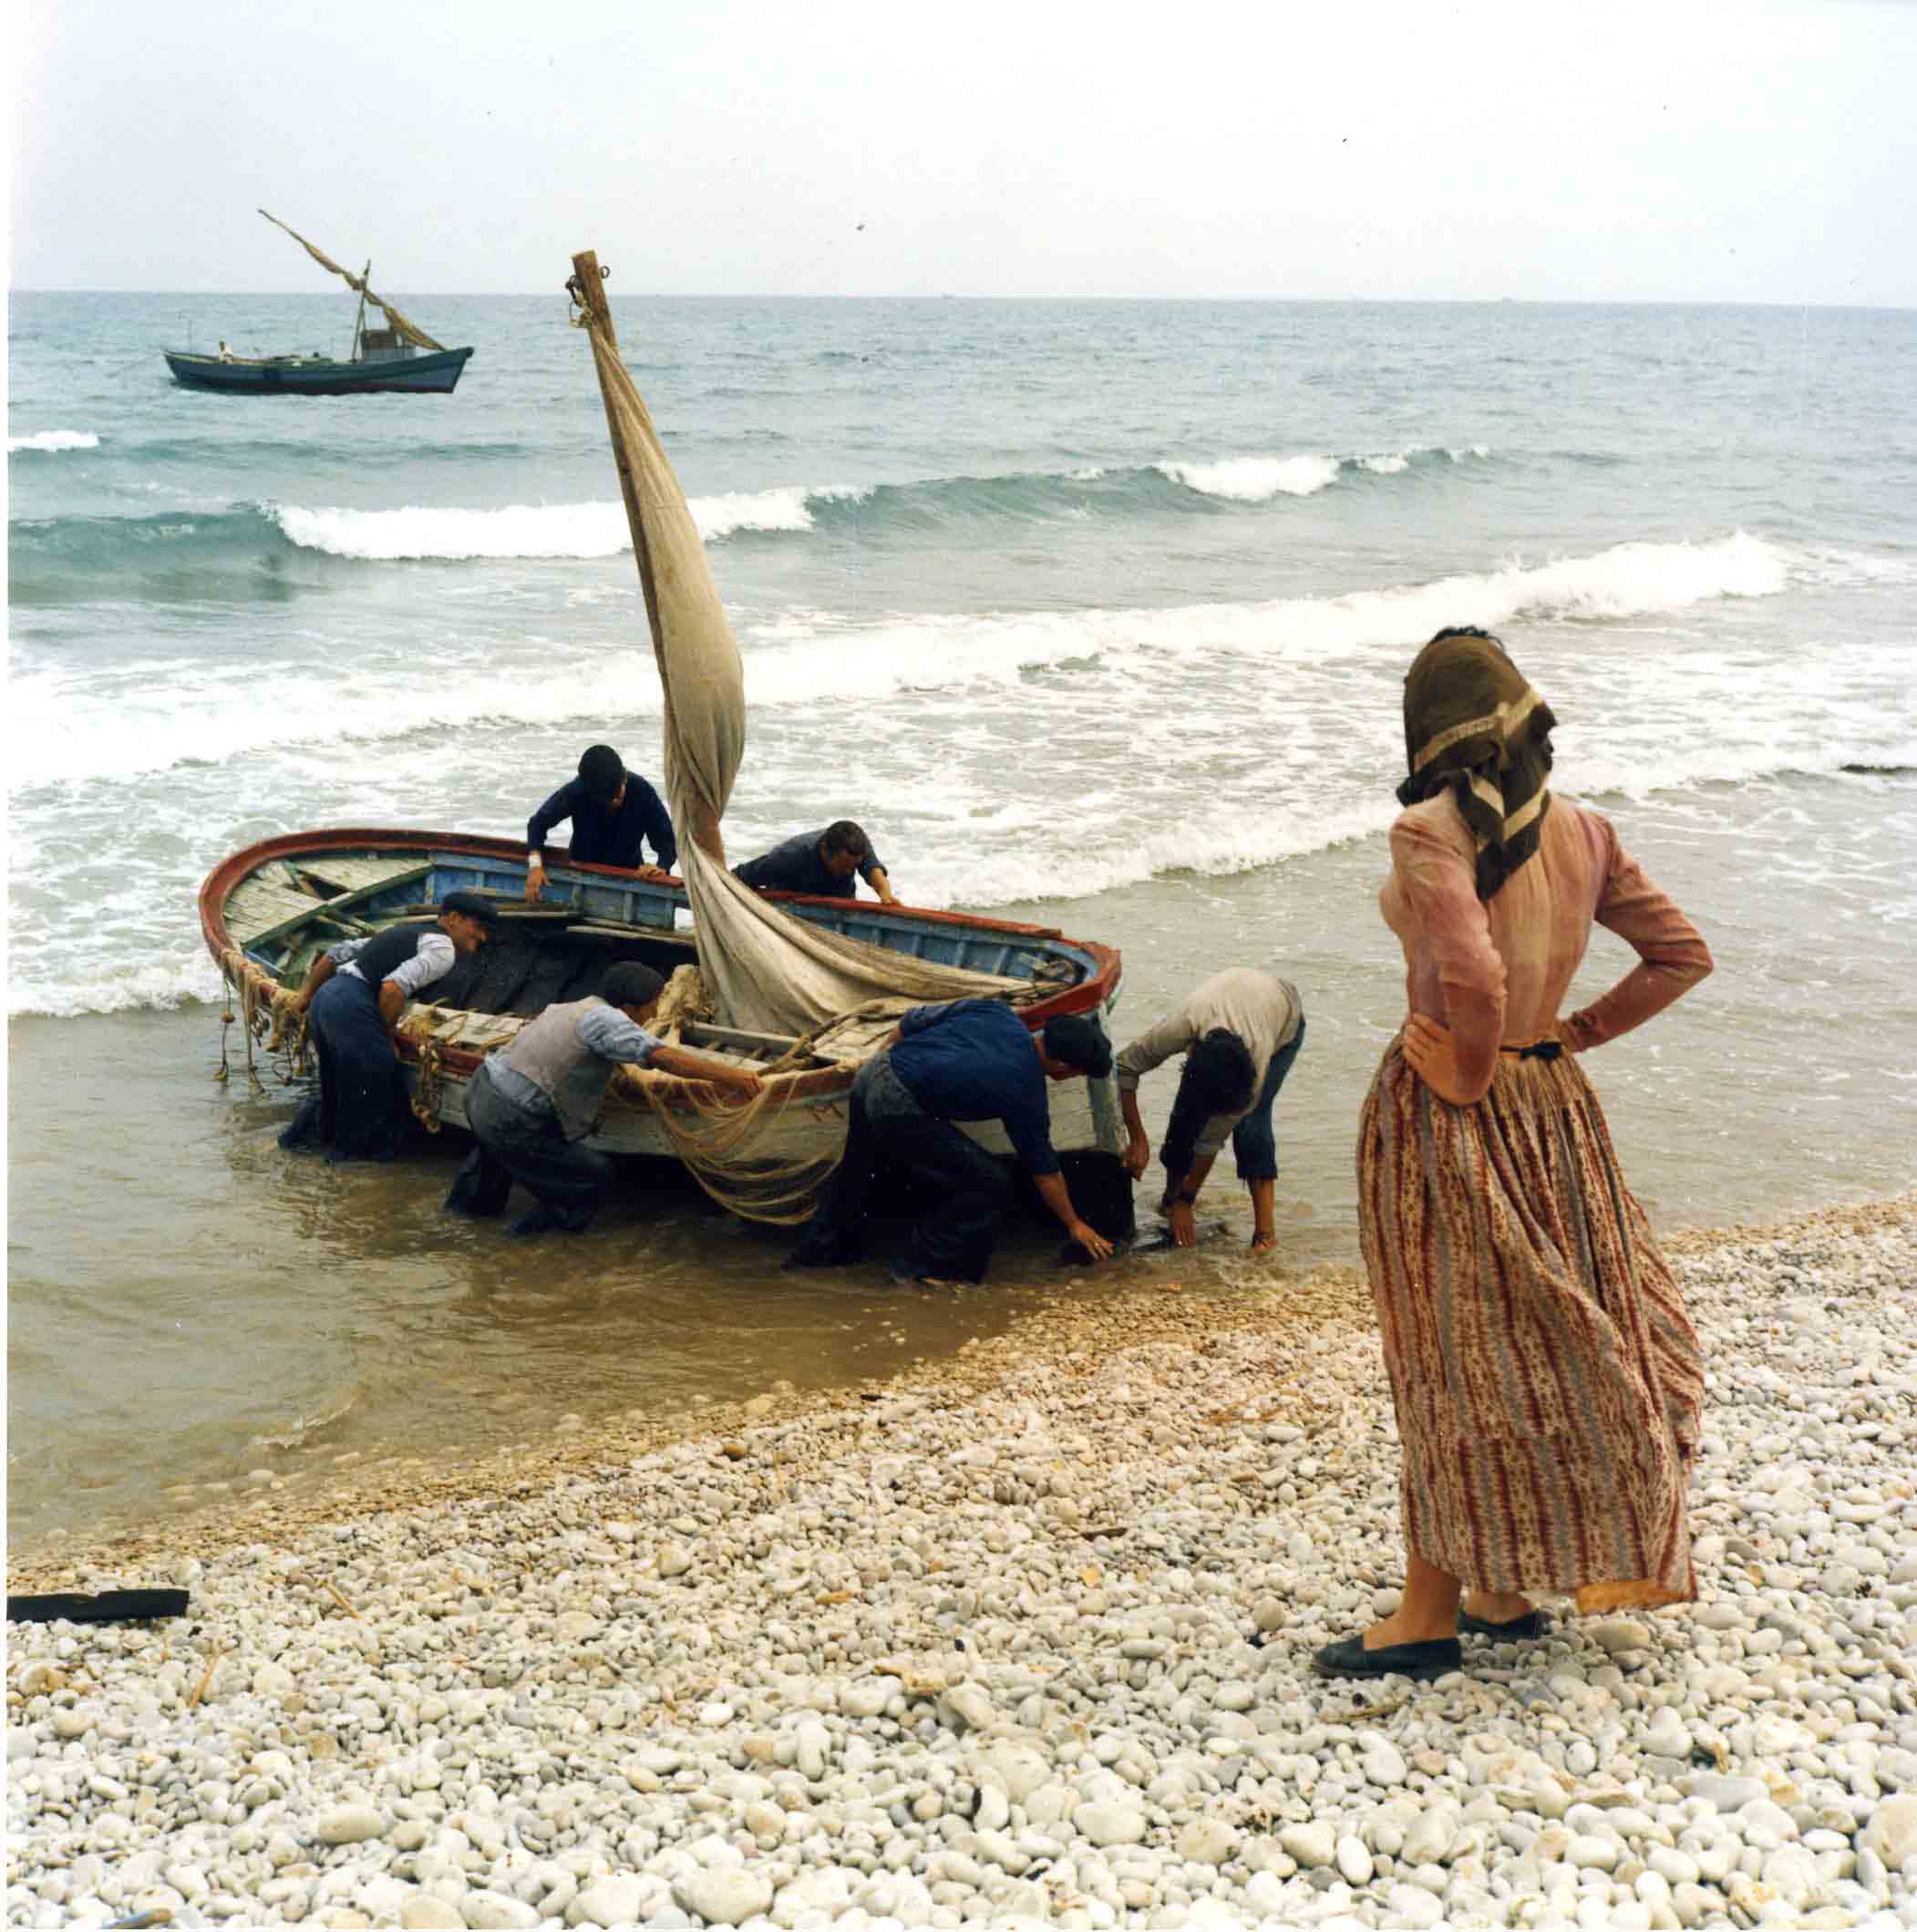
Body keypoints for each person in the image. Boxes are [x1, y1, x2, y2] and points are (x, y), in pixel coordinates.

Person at [1314, 625, 1714, 1683]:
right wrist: (1570, 1038)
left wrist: (1470, 1074)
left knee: (1448, 1356)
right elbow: (1681, 956)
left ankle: (1426, 1614)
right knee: (1534, 1339)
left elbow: (1476, 983)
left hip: (1455, 1109)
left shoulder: (1427, 831)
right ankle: (1501, 1583)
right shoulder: (1587, 830)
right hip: (1556, 1107)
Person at [786, 1001, 1115, 1286]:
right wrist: (1074, 1224)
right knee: (989, 1183)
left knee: (857, 1173)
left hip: (872, 1073)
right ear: (1060, 1066)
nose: (1073, 1079)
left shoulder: (996, 1013)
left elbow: (910, 1021)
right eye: (1077, 1074)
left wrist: (886, 1062)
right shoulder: (1024, 1089)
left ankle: (814, 1260)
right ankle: (926, 1271)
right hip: (896, 1103)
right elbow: (1045, 1172)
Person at [445, 962, 762, 1235]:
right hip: (511, 1115)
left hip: (481, 1093)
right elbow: (666, 1059)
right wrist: (732, 1076)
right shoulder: (610, 1021)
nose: (654, 1013)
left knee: (493, 1166)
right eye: (652, 1005)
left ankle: (464, 1225)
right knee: (591, 1176)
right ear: (631, 1007)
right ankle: (526, 1244)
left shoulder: (571, 1007)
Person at [280, 891, 499, 1162]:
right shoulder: (443, 949)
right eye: (479, 928)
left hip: (326, 999)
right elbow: (393, 988)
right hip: (352, 1006)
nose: (483, 937)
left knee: (337, 1086)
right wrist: (388, 1036)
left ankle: (297, 1149)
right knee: (374, 1090)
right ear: (454, 918)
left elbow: (335, 954)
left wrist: (304, 996)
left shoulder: (404, 931)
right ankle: (344, 1173)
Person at [1117, 968, 1305, 1253]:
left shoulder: (1256, 1064)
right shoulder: (1182, 1026)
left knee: (1251, 1123)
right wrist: (1137, 1138)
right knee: (1186, 1115)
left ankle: (1265, 1234)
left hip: (1282, 1018)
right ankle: (1170, 1201)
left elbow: (1209, 1142)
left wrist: (1187, 1200)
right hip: (1225, 1006)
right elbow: (1124, 1067)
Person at [525, 745, 675, 903]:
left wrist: (661, 867)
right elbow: (537, 824)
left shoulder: (642, 791)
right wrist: (535, 865)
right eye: (606, 801)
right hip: (582, 872)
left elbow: (666, 841)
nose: (614, 803)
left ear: (623, 777)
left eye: (617, 796)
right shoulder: (578, 791)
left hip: (629, 875)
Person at [734, 821, 899, 904]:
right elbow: (739, 876)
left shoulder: (857, 846)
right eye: (843, 866)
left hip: (840, 904)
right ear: (825, 852)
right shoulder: (790, 856)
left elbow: (874, 872)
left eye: (854, 867)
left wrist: (886, 895)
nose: (850, 872)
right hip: (789, 908)